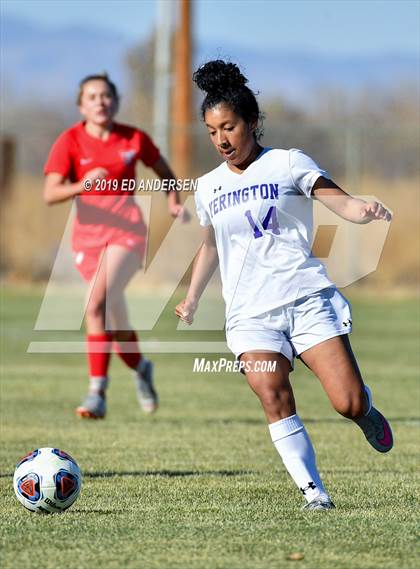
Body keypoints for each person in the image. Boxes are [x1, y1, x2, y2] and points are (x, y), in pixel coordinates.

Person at [175, 60, 393, 510]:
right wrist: (192, 296)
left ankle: (366, 411)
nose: (221, 140)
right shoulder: (208, 187)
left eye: (229, 127)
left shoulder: (288, 162)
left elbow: (341, 202)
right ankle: (313, 492)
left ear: (252, 123)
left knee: (346, 402)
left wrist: (362, 210)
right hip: (250, 313)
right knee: (271, 391)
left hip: (306, 298)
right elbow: (211, 244)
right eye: (212, 131)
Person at [44, 73, 188, 419]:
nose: (100, 101)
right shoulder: (69, 142)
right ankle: (141, 368)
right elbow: (50, 193)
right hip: (87, 241)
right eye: (92, 96)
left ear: (116, 101)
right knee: (114, 321)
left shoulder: (134, 138)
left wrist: (173, 202)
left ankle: (97, 392)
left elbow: (165, 171)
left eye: (106, 95)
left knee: (94, 304)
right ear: (81, 105)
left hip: (128, 234)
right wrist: (81, 185)